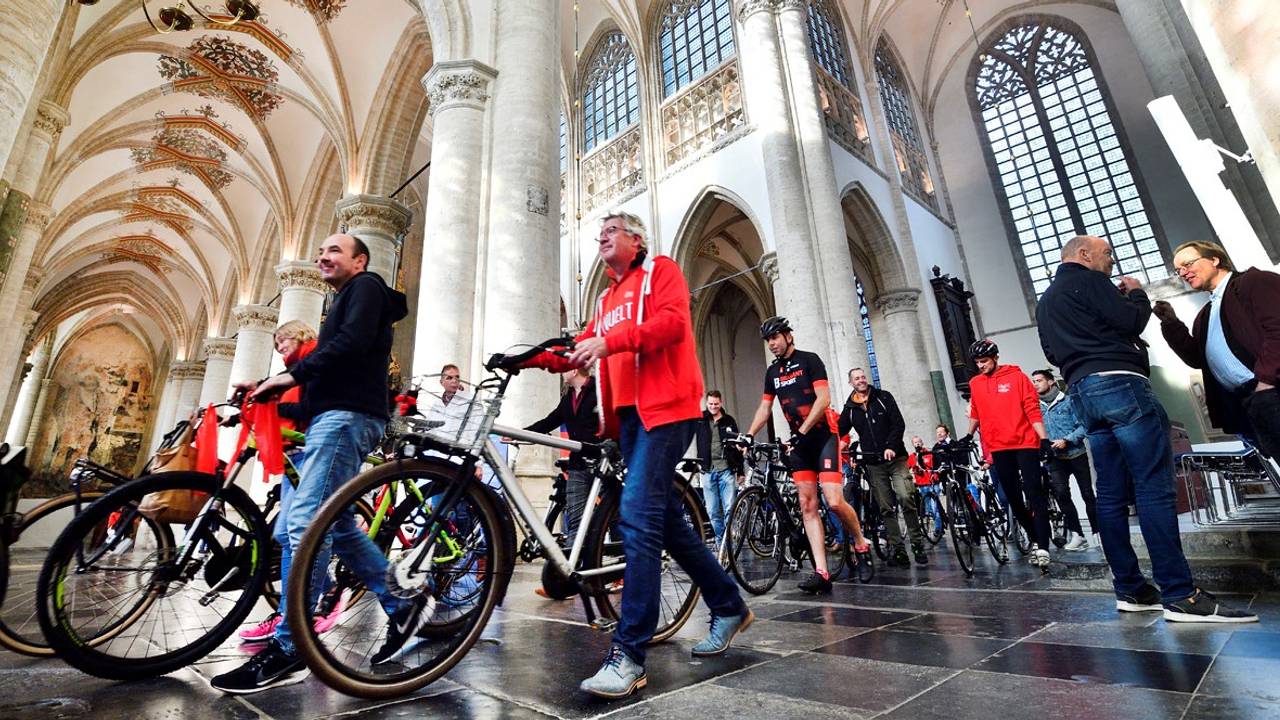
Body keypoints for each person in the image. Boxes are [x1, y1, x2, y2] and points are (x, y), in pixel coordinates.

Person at [523, 211, 752, 699]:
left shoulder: (660, 271)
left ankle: (629, 654)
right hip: (629, 420)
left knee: (637, 519)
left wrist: (611, 342)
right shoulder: (605, 298)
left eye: (612, 231)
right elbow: (580, 349)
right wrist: (527, 358)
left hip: (668, 411)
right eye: (599, 233)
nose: (602, 238)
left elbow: (671, 325)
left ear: (637, 239)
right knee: (666, 522)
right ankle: (728, 604)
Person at [212, 233, 414, 693]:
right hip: (334, 416)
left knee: (305, 522)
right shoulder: (345, 301)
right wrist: (269, 395)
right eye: (321, 251)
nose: (324, 256)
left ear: (360, 261)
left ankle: (293, 646)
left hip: (347, 421)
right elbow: (318, 398)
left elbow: (350, 346)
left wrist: (288, 375)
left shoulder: (366, 289)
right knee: (334, 527)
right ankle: (404, 605)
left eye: (335, 250)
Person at [1037, 234, 1256, 622]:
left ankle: (1132, 590)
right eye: (1107, 255)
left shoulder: (1046, 301)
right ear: (1084, 255)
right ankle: (1180, 594)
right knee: (1153, 487)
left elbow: (1053, 354)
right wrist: (1136, 294)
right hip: (1121, 385)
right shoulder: (1089, 280)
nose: (1111, 262)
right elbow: (1130, 320)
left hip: (1083, 392)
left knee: (1109, 495)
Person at [744, 316, 873, 594]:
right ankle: (822, 571)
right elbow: (765, 409)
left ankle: (861, 544)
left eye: (775, 338)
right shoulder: (773, 373)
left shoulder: (809, 360)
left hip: (823, 437)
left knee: (835, 501)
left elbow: (823, 399)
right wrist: (749, 434)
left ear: (788, 336)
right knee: (807, 505)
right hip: (799, 444)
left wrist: (802, 430)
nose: (772, 344)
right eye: (768, 340)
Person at [238, 320, 348, 642]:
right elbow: (282, 392)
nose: (279, 346)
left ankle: (297, 615)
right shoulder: (294, 369)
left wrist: (272, 403)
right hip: (294, 452)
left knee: (302, 530)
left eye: (283, 339)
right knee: (288, 533)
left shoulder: (315, 359)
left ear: (301, 334)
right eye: (276, 343)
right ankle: (310, 600)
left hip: (311, 448)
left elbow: (311, 405)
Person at [1153, 240, 1280, 459]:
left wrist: (1266, 382)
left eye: (1188, 263)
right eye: (1178, 270)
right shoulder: (1205, 315)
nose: (1183, 273)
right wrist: (1171, 323)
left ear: (1214, 259)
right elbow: (1196, 359)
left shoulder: (1252, 282)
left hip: (1272, 390)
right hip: (1249, 403)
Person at [965, 339, 1053, 569]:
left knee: (1034, 492)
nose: (980, 365)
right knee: (1013, 497)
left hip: (1025, 442)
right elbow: (976, 411)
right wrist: (968, 435)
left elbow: (1032, 409)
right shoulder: (975, 383)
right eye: (977, 362)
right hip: (999, 446)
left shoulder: (1018, 377)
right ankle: (1034, 536)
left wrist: (1043, 438)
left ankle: (1043, 545)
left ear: (995, 358)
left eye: (984, 361)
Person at [838, 367, 926, 567]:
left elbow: (898, 424)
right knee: (886, 507)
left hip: (895, 459)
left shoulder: (883, 397)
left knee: (905, 497)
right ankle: (898, 549)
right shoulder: (850, 408)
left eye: (862, 377)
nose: (861, 380)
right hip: (873, 463)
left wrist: (891, 446)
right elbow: (838, 429)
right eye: (856, 378)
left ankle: (917, 544)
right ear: (851, 383)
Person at [524, 368, 599, 543]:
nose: (560, 372)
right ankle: (574, 564)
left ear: (573, 371)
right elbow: (550, 421)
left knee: (612, 515)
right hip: (578, 464)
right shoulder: (568, 398)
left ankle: (622, 561)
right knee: (575, 518)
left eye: (563, 368)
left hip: (602, 462)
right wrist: (521, 433)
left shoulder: (599, 391)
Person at [1032, 368, 1097, 551]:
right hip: (1054, 458)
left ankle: (1097, 531)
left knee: (1087, 494)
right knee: (1062, 495)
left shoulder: (1068, 401)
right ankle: (1077, 534)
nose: (1035, 384)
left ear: (1051, 381)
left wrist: (1067, 440)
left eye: (1039, 380)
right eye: (1034, 381)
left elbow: (1083, 426)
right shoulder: (1036, 407)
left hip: (1076, 453)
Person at [695, 390, 744, 544]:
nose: (713, 407)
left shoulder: (729, 420)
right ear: (707, 403)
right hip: (707, 470)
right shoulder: (700, 419)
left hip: (726, 470)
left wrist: (740, 471)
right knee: (712, 511)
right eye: (710, 404)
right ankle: (720, 540)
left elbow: (738, 446)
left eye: (716, 404)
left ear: (721, 403)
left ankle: (728, 544)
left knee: (730, 507)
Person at [907, 436, 942, 538]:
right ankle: (938, 526)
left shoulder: (929, 453)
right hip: (922, 485)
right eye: (915, 442)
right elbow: (906, 468)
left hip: (932, 483)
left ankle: (938, 528)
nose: (917, 444)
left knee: (934, 507)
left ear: (922, 442)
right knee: (929, 508)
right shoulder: (912, 457)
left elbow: (936, 465)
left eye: (919, 442)